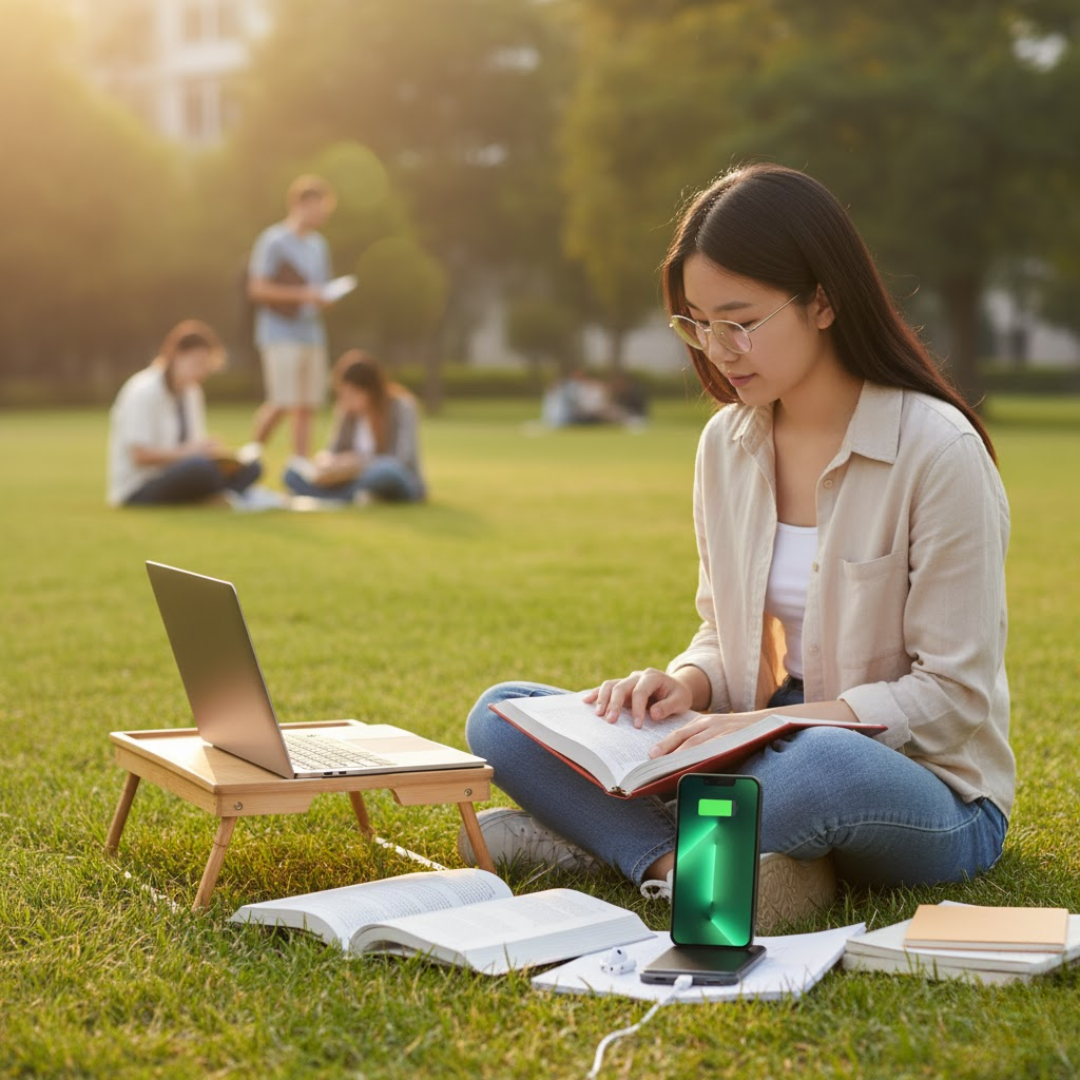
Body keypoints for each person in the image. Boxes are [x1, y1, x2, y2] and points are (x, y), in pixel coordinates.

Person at [460, 163, 1013, 929]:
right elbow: (726, 638)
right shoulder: (728, 444)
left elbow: (953, 698)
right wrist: (683, 685)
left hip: (919, 788)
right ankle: (691, 864)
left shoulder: (937, 451)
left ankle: (607, 842)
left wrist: (773, 726)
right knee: (502, 715)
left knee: (821, 762)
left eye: (740, 320)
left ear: (823, 300)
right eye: (697, 322)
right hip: (755, 755)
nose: (718, 348)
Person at [107, 320, 262, 507]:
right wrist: (187, 453)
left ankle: (221, 495)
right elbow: (140, 456)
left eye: (206, 364)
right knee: (201, 469)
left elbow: (194, 447)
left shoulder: (192, 392)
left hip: (183, 471)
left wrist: (211, 452)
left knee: (252, 466)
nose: (202, 371)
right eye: (197, 363)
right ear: (175, 356)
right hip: (140, 486)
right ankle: (224, 494)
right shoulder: (143, 390)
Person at [247, 174, 340, 459]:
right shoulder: (273, 241)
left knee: (306, 405)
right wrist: (302, 295)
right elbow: (257, 288)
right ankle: (250, 457)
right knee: (281, 402)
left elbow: (320, 288)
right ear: (299, 204)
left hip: (312, 332)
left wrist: (324, 297)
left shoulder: (318, 245)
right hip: (280, 332)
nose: (321, 213)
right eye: (317, 207)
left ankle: (300, 466)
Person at [282, 349, 426, 504]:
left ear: (370, 391)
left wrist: (359, 463)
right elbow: (333, 451)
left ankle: (331, 496)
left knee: (385, 470)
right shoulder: (347, 413)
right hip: (349, 478)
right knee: (292, 471)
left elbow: (402, 459)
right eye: (343, 394)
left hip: (394, 477)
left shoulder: (402, 406)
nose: (347, 399)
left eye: (352, 393)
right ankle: (349, 495)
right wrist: (327, 464)